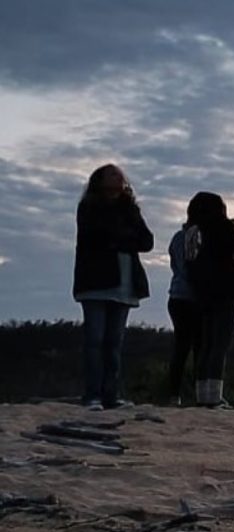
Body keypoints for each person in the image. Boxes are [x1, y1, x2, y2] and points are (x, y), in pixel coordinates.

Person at [72, 164, 153, 410]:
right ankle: (92, 395)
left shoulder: (130, 209)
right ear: (99, 181)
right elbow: (97, 236)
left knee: (114, 342)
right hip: (95, 281)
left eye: (120, 174)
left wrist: (120, 238)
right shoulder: (90, 206)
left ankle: (111, 395)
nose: (119, 177)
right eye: (112, 174)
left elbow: (147, 241)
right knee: (95, 339)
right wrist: (124, 238)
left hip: (125, 282)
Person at [184, 192, 234, 408]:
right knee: (219, 345)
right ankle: (214, 397)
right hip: (226, 291)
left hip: (202, 293)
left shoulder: (192, 232)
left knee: (206, 345)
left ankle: (202, 394)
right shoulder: (222, 228)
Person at [166, 214, 203, 407]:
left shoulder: (177, 237)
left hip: (177, 296)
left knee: (181, 347)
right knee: (199, 348)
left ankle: (174, 395)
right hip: (192, 297)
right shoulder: (198, 237)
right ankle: (200, 395)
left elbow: (175, 265)